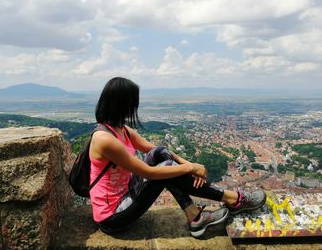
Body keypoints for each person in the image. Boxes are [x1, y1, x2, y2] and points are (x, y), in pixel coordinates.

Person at [89, 77, 266, 238]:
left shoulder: (122, 130)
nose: (135, 107)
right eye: (132, 102)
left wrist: (188, 163)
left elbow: (154, 149)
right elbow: (150, 173)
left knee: (160, 153)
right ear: (121, 103)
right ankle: (232, 199)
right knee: (165, 169)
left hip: (127, 193)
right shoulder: (104, 139)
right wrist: (190, 169)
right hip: (113, 216)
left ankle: (196, 217)